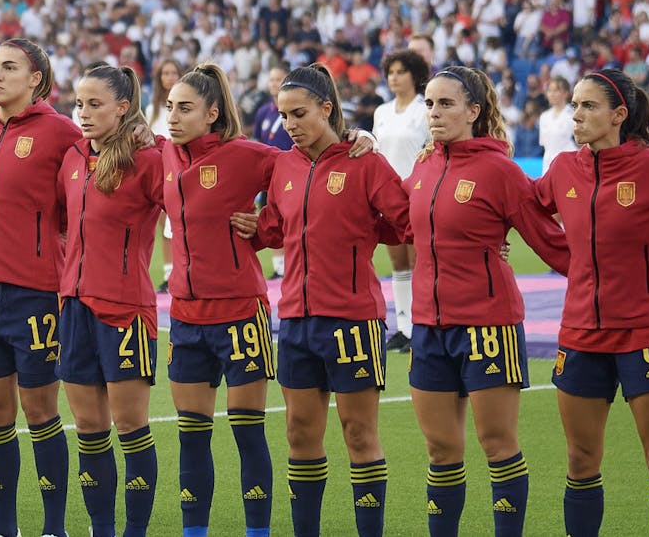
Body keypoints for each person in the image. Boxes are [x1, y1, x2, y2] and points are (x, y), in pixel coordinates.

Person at [239, 63, 413, 537]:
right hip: (295, 320)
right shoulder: (284, 166)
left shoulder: (366, 162)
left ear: (327, 108)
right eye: (284, 116)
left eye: (300, 114)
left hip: (353, 321)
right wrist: (254, 229)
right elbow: (277, 225)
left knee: (359, 435)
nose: (290, 125)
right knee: (299, 434)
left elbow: (407, 219)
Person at [405, 65, 567, 537]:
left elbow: (551, 242)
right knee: (440, 452)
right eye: (429, 103)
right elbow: (395, 222)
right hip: (428, 328)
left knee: (497, 446)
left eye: (446, 103)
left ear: (474, 111)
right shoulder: (422, 164)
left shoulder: (500, 170)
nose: (434, 112)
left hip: (488, 325)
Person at [530, 69, 649, 537]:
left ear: (619, 114)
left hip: (643, 330)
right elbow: (519, 204)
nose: (575, 115)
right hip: (579, 333)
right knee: (580, 461)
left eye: (587, 106)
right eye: (574, 105)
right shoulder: (562, 168)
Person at [0, 38, 83, 537]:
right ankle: (4, 528)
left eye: (9, 67)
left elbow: (83, 200)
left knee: (40, 410)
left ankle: (55, 528)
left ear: (35, 78)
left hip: (36, 292)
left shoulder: (61, 133)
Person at [162, 63, 281, 537]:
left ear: (212, 113)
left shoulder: (246, 155)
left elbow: (307, 172)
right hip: (186, 317)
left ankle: (257, 533)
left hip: (240, 312)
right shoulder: (161, 155)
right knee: (192, 437)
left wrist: (266, 227)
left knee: (247, 432)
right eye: (170, 106)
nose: (172, 117)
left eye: (185, 108)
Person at [56, 63, 164, 537]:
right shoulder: (73, 158)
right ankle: (102, 530)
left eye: (94, 104)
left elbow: (200, 186)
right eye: (79, 103)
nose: (82, 113)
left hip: (125, 310)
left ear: (123, 108)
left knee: (130, 428)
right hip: (73, 307)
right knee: (89, 431)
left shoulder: (150, 159)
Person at [373, 49, 430, 352]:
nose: (394, 78)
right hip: (389, 195)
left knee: (420, 261)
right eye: (390, 72)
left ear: (414, 75)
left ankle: (422, 325)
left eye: (400, 72)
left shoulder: (424, 109)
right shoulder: (381, 112)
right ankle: (404, 327)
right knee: (399, 264)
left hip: (418, 192)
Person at [252, 65, 293, 279]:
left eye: (278, 79)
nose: (274, 83)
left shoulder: (295, 108)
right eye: (271, 80)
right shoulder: (263, 113)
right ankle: (279, 267)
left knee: (291, 217)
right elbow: (259, 143)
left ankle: (293, 262)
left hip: (292, 172)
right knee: (270, 216)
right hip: (270, 175)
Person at [148, 58, 181, 293]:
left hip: (178, 168)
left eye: (173, 72)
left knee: (175, 225)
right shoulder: (152, 109)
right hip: (158, 170)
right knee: (163, 227)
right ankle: (169, 273)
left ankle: (179, 272)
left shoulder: (186, 105)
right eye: (165, 73)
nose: (169, 77)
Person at [538, 76, 577, 173]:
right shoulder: (544, 116)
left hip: (568, 163)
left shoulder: (573, 115)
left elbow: (581, 141)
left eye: (556, 90)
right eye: (549, 90)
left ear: (565, 93)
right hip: (548, 164)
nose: (552, 94)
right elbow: (543, 143)